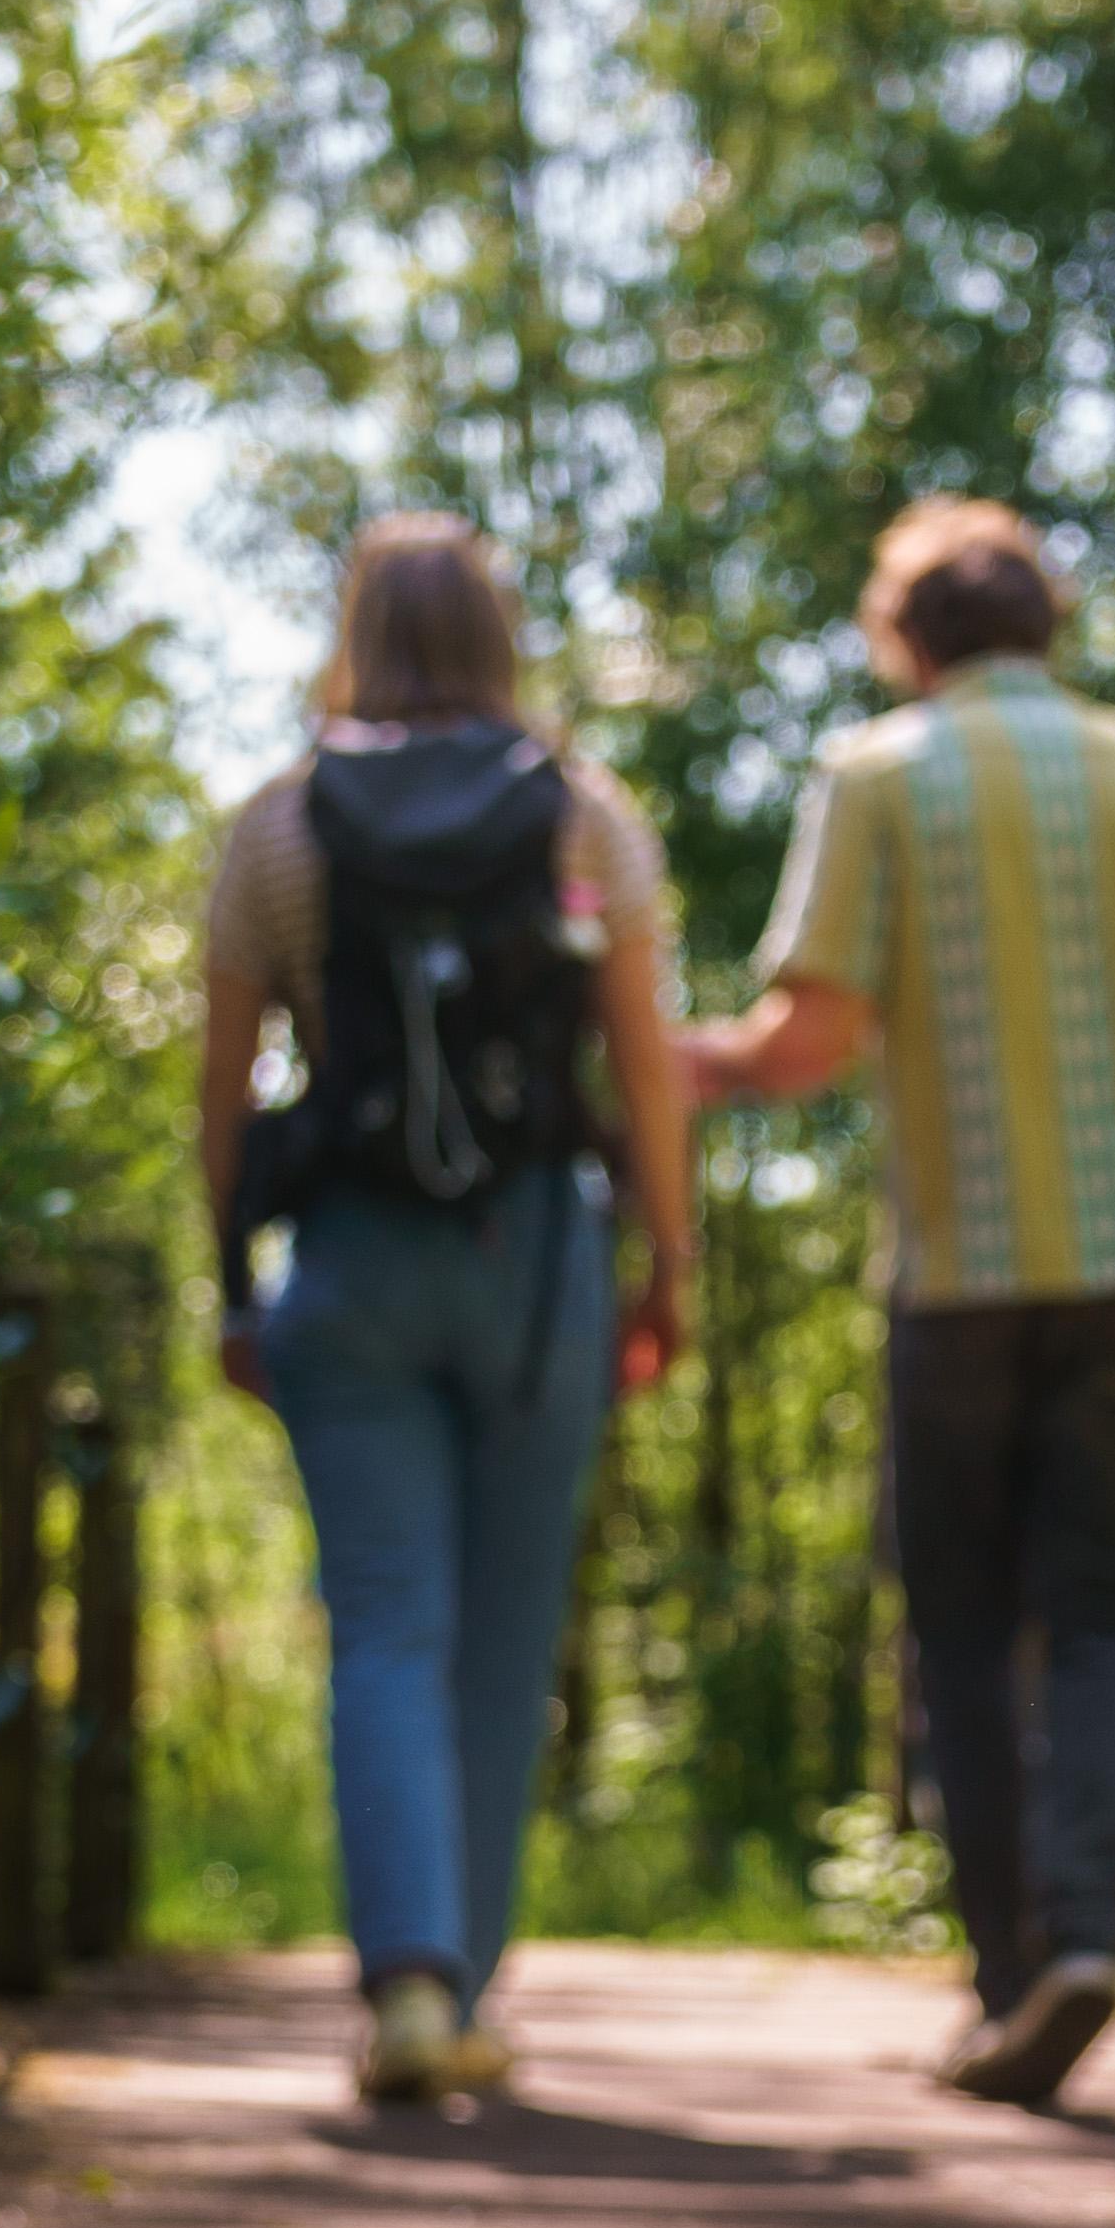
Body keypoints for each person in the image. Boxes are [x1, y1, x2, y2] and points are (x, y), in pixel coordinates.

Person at [688, 498, 1115, 2108]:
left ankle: (1012, 1976)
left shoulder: (881, 776)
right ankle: (1085, 1935)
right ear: (1048, 628)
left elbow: (804, 1038)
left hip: (966, 1282)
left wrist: (673, 1060)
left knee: (963, 1624)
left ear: (908, 642)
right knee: (1113, 1610)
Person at [197, 511, 692, 2106]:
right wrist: (668, 1263)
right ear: (498, 636)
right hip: (539, 1259)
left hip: (346, 1260)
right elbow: (646, 1062)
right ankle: (464, 1984)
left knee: (387, 1622)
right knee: (501, 1631)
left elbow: (222, 1088)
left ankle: (407, 1983)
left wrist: (230, 1282)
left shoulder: (280, 821)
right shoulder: (582, 816)